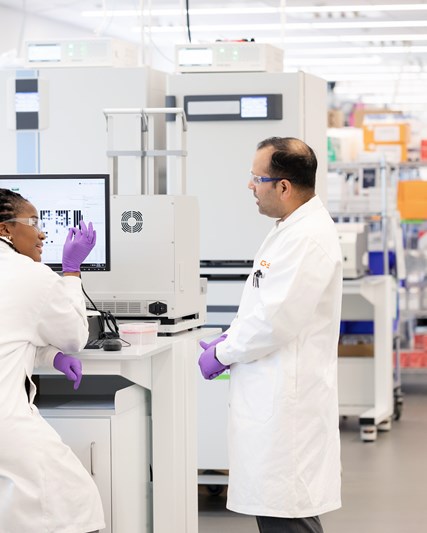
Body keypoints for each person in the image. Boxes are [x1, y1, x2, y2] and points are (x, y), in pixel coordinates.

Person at [198, 137, 343, 533]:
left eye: (256, 177)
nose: (250, 186)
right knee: (280, 514)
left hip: (287, 403)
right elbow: (265, 306)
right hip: (274, 394)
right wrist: (229, 337)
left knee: (288, 516)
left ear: (283, 186)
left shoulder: (306, 237)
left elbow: (275, 322)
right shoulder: (290, 229)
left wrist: (224, 353)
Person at [0, 188, 105, 533]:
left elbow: (10, 330)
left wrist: (48, 354)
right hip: (7, 422)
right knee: (75, 503)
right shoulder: (29, 274)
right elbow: (75, 334)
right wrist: (71, 271)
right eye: (34, 222)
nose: (43, 233)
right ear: (5, 230)